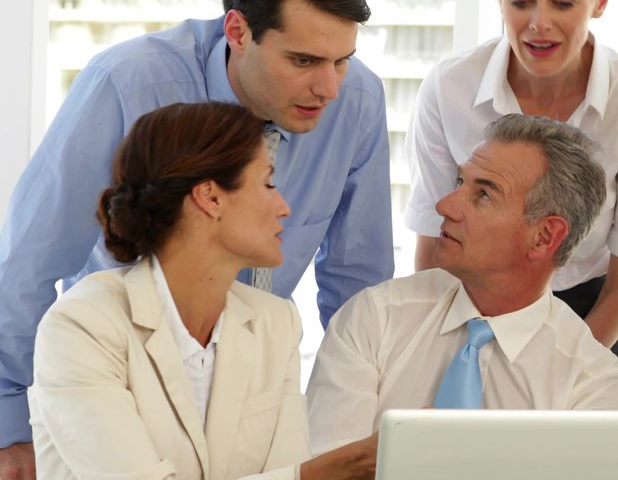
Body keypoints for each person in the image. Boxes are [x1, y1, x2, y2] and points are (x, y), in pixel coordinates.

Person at [0, 0, 394, 474]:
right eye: (303, 60)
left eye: (343, 59)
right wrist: (9, 422)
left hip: (250, 382)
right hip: (118, 370)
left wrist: (364, 430)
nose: (329, 87)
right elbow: (32, 259)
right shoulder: (129, 83)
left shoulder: (355, 100)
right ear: (238, 30)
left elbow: (358, 281)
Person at [29, 103, 379, 479]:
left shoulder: (275, 323)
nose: (284, 208)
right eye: (268, 183)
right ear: (210, 197)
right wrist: (321, 472)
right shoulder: (82, 325)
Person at [405, 0, 618, 400]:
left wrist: (561, 373)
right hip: (469, 314)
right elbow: (434, 244)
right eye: (520, 1)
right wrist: (429, 352)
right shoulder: (450, 87)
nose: (538, 24)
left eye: (563, 3)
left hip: (592, 319)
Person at [307, 114, 618, 474]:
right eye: (460, 181)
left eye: (482, 194)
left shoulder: (592, 383)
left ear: (544, 237)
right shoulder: (376, 315)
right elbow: (324, 469)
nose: (445, 205)